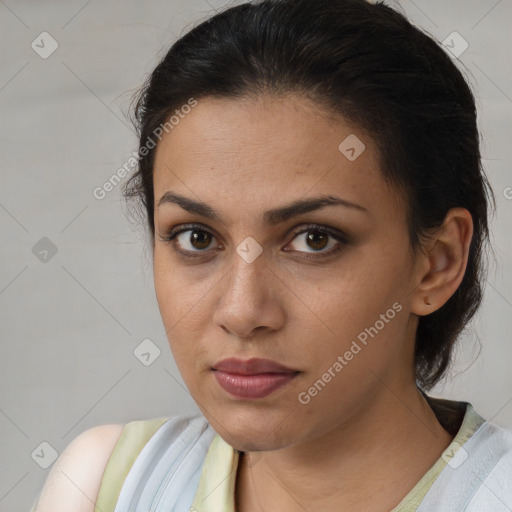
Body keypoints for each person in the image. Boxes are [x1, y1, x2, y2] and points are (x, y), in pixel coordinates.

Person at [32, 0, 512, 510]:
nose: (241, 312)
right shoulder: (108, 487)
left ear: (436, 263)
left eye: (314, 240)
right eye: (196, 238)